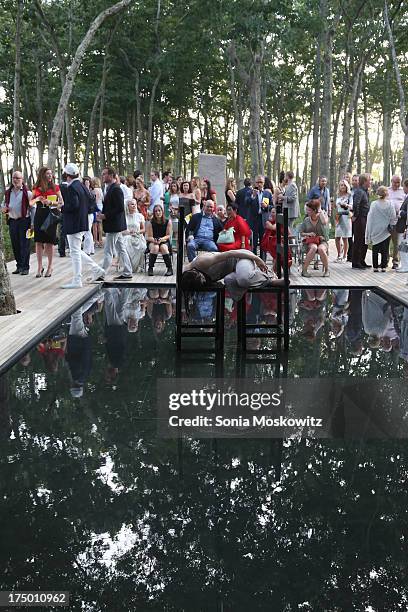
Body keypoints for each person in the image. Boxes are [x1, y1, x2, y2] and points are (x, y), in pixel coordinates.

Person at [181, 249, 285, 304]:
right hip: (234, 271)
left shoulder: (202, 262)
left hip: (240, 257)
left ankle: (270, 277)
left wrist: (256, 258)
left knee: (243, 279)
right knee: (229, 281)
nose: (204, 281)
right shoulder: (186, 276)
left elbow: (230, 253)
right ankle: (257, 277)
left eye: (202, 279)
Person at [60, 163, 105, 289]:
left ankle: (77, 279)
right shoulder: (81, 186)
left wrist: (62, 207)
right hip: (81, 222)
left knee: (75, 252)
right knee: (76, 251)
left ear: (67, 175)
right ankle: (95, 269)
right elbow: (91, 201)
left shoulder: (72, 187)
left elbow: (73, 205)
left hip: (74, 223)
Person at [98, 167, 133, 280]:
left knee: (108, 250)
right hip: (114, 224)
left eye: (104, 174)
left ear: (111, 175)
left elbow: (119, 208)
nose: (102, 176)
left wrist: (105, 215)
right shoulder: (109, 188)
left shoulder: (116, 189)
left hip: (114, 225)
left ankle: (102, 274)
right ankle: (127, 272)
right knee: (121, 249)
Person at [30, 167, 63, 278]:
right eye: (47, 174)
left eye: (51, 173)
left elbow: (61, 203)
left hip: (51, 216)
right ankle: (39, 267)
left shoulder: (56, 187)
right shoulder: (36, 188)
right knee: (38, 241)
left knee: (49, 241)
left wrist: (51, 202)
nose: (50, 175)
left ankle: (50, 266)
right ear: (42, 175)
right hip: (39, 215)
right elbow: (30, 203)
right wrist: (38, 199)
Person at [1, 171, 33, 275]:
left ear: (22, 179)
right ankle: (19, 266)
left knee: (25, 245)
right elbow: (2, 205)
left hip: (25, 221)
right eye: (14, 178)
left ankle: (25, 267)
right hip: (12, 221)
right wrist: (4, 209)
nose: (15, 180)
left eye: (18, 178)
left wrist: (32, 223)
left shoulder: (28, 193)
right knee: (15, 245)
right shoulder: (7, 193)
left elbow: (33, 209)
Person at [365, 186, 397, 272]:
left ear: (377, 194)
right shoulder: (390, 204)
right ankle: (383, 267)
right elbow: (393, 217)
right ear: (387, 193)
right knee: (385, 249)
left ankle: (375, 267)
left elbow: (370, 218)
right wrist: (391, 224)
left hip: (375, 230)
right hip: (386, 231)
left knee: (375, 249)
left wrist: (369, 231)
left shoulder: (374, 204)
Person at [298, 199, 329, 277]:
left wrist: (320, 210)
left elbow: (324, 222)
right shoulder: (306, 220)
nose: (307, 211)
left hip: (322, 241)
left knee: (321, 249)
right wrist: (308, 234)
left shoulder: (322, 217)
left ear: (315, 210)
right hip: (310, 241)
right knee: (314, 247)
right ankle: (304, 270)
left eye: (309, 210)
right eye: (307, 210)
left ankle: (327, 270)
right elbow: (301, 233)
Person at [250, 175, 273, 259]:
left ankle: (263, 260)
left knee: (263, 240)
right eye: (258, 182)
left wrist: (266, 206)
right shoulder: (251, 192)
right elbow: (246, 202)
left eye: (261, 182)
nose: (259, 184)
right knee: (254, 241)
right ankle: (254, 259)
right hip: (254, 219)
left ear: (264, 183)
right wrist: (253, 196)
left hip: (264, 219)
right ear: (255, 183)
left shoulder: (267, 193)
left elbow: (272, 206)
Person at [146, 204, 173, 276]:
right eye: (156, 211)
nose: (158, 212)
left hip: (164, 240)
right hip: (153, 240)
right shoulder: (150, 223)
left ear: (162, 211)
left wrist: (161, 239)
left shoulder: (168, 222)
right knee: (155, 247)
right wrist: (155, 240)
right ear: (154, 213)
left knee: (163, 247)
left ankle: (169, 268)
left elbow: (168, 235)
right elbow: (149, 237)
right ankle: (150, 268)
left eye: (159, 211)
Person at [352, 173, 371, 269]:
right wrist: (355, 215)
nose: (370, 182)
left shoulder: (366, 192)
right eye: (369, 180)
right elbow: (356, 204)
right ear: (364, 181)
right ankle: (356, 262)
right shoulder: (359, 191)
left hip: (366, 217)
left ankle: (362, 260)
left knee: (364, 240)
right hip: (360, 218)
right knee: (359, 239)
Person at [122, 198, 146, 273]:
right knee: (125, 243)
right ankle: (128, 266)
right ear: (128, 206)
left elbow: (143, 229)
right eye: (132, 204)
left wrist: (137, 232)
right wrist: (129, 232)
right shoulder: (124, 217)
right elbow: (122, 230)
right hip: (127, 235)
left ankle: (139, 266)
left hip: (138, 236)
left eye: (135, 204)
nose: (134, 206)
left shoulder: (140, 216)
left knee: (142, 246)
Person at [388, 175, 406, 269]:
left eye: (398, 182)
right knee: (385, 241)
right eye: (395, 182)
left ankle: (395, 261)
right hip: (387, 220)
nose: (396, 184)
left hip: (398, 221)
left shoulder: (403, 191)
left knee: (396, 243)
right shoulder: (387, 190)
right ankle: (384, 260)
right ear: (391, 181)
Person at [334, 179, 353, 262]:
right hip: (339, 217)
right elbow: (336, 206)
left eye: (344, 185)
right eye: (341, 185)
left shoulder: (349, 195)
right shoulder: (338, 195)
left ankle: (345, 256)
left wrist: (346, 205)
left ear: (347, 186)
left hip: (346, 217)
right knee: (337, 237)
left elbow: (351, 206)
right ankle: (339, 254)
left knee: (345, 238)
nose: (343, 187)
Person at [395, 178, 408, 273]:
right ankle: (403, 264)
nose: (402, 188)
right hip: (402, 226)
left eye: (404, 186)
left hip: (405, 227)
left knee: (403, 248)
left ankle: (405, 266)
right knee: (401, 247)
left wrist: (400, 212)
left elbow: (406, 214)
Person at [82, 176, 95, 256]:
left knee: (87, 231)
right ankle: (91, 249)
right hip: (87, 213)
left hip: (89, 214)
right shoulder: (87, 191)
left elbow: (89, 199)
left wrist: (86, 187)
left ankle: (87, 250)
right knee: (88, 231)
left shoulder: (91, 192)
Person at [91, 177, 103, 247]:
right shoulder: (100, 190)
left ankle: (96, 240)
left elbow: (95, 200)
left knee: (95, 225)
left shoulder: (94, 190)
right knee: (100, 225)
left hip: (95, 208)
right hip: (101, 207)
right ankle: (100, 240)